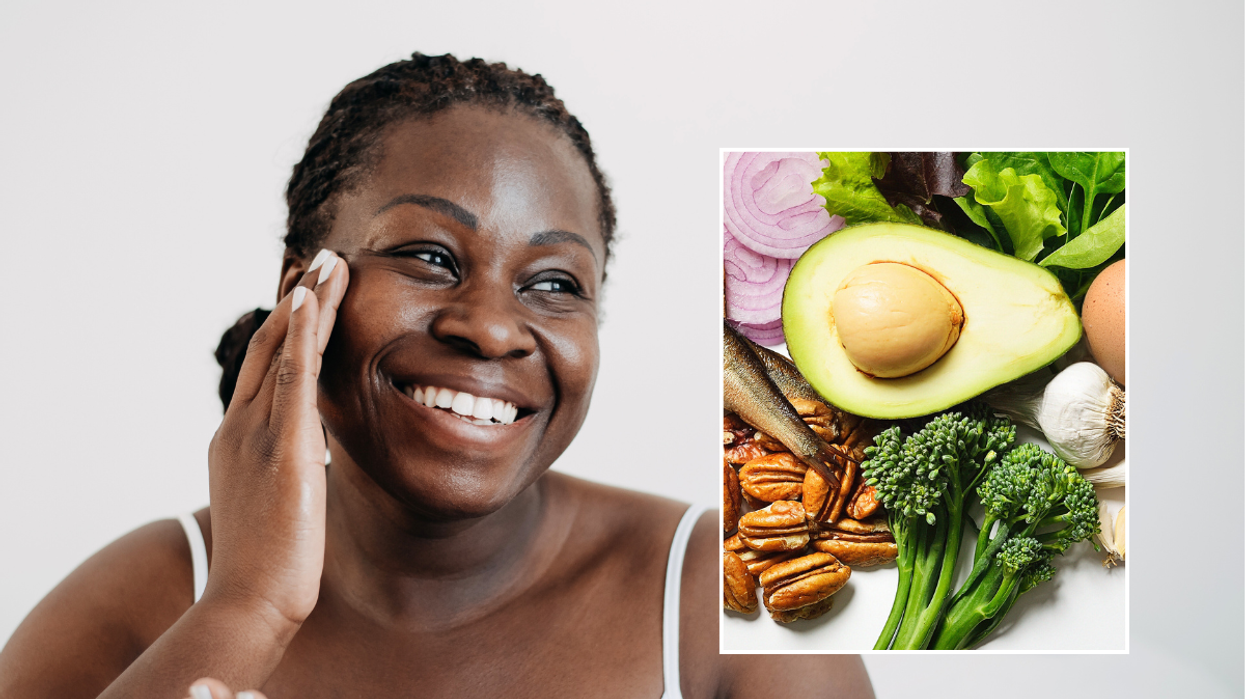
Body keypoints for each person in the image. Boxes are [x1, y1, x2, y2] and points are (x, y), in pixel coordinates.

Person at [0, 53, 874, 698]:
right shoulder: (146, 598)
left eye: (554, 284)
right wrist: (247, 606)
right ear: (301, 289)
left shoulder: (715, 609)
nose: (493, 327)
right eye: (427, 255)